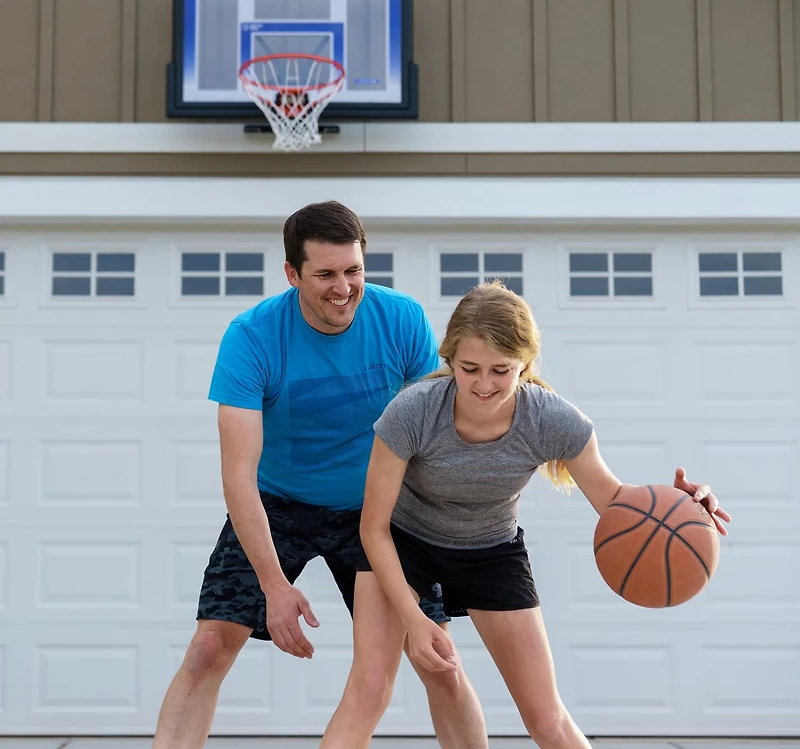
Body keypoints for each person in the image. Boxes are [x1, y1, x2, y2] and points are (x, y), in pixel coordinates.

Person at [323, 281, 731, 749]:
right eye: (469, 368)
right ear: (449, 359)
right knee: (370, 691)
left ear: (525, 364)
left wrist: (676, 506)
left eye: (501, 370)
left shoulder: (553, 420)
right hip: (403, 543)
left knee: (546, 717)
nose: (483, 384)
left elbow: (614, 500)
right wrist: (414, 618)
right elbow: (372, 528)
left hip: (491, 552)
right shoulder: (412, 411)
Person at [152, 201, 488, 749]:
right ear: (292, 274)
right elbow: (239, 474)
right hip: (280, 503)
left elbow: (444, 428)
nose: (343, 287)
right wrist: (273, 585)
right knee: (211, 646)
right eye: (326, 274)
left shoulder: (400, 319)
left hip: (378, 508)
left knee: (438, 660)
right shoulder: (254, 337)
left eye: (353, 270)